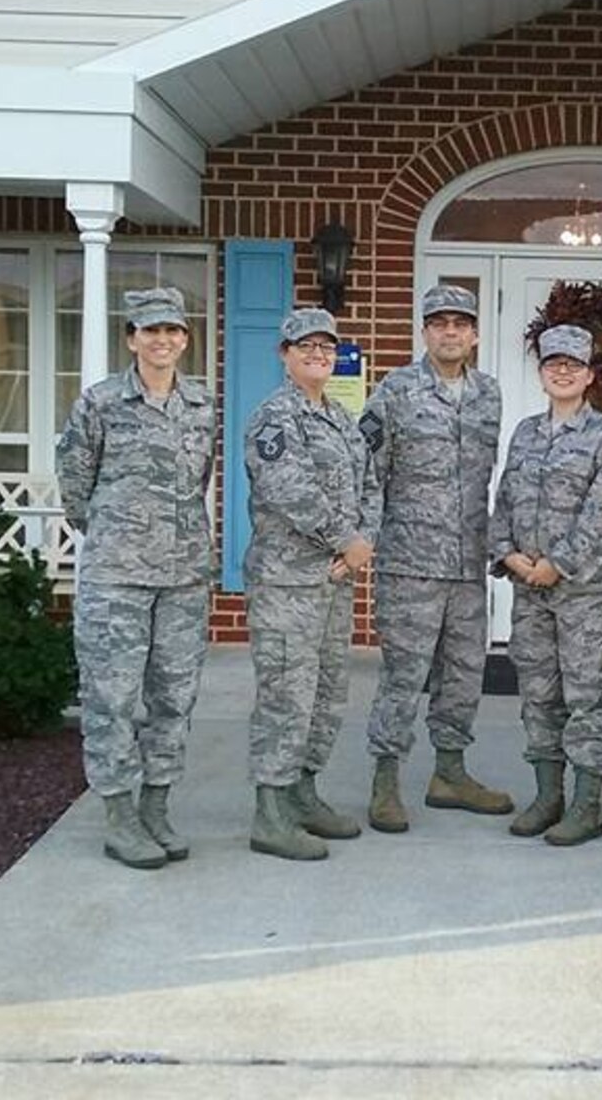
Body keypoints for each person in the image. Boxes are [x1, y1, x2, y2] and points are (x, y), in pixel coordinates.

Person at [57, 287, 217, 870]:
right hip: (117, 579)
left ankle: (156, 805)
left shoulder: (202, 405)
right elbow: (76, 486)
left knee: (173, 697)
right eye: (151, 331)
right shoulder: (100, 403)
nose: (163, 341)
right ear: (131, 338)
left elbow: (197, 480)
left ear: (185, 338)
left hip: (182, 578)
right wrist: (119, 535)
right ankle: (119, 814)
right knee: (112, 698)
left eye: (173, 331)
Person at [358, 284, 514, 832]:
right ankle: (385, 780)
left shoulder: (488, 394)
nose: (450, 331)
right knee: (404, 675)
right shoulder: (394, 392)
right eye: (439, 322)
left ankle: (449, 773)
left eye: (460, 323)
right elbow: (368, 474)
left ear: (474, 334)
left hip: (469, 563)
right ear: (424, 331)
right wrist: (365, 541)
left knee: (465, 675)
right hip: (410, 563)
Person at [489, 324, 602, 847]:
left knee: (588, 698)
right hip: (529, 593)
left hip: (585, 598)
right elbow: (504, 499)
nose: (563, 371)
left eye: (573, 364)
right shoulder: (526, 432)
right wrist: (506, 553)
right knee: (539, 695)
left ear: (590, 375)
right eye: (554, 363)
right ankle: (547, 796)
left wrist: (559, 563)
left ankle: (587, 805)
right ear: (543, 372)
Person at [243, 307, 379, 862]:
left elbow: (371, 484)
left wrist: (362, 541)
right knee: (286, 698)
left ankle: (303, 793)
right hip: (286, 584)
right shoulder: (275, 418)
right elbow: (288, 489)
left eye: (326, 346)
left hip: (333, 582)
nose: (318, 354)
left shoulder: (342, 420)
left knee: (326, 696)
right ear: (285, 354)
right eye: (306, 347)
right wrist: (345, 538)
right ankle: (270, 813)